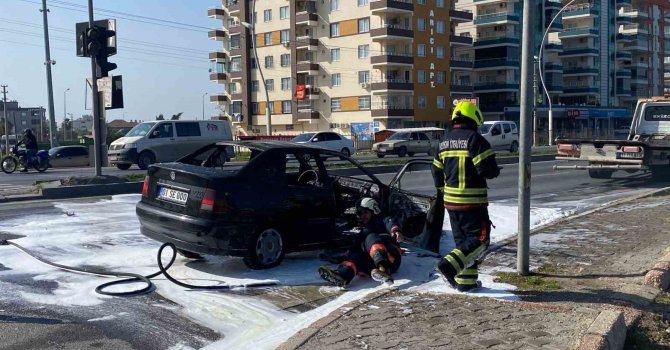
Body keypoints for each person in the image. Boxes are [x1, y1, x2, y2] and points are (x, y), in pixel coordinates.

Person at [432, 101, 500, 292]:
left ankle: (465, 282)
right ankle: (448, 266)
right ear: (474, 118)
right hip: (472, 202)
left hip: (451, 203)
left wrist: (442, 190)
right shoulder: (475, 140)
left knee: (463, 244)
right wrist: (494, 170)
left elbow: (435, 170)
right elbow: (488, 170)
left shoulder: (443, 141)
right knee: (480, 241)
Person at [319, 197, 404, 287]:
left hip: (391, 259)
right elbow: (353, 250)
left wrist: (396, 231)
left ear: (374, 211)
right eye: (360, 213)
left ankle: (384, 270)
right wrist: (337, 259)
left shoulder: (382, 221)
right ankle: (342, 276)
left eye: (366, 212)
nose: (362, 216)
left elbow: (390, 222)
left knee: (371, 237)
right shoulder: (363, 232)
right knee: (355, 253)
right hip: (373, 268)